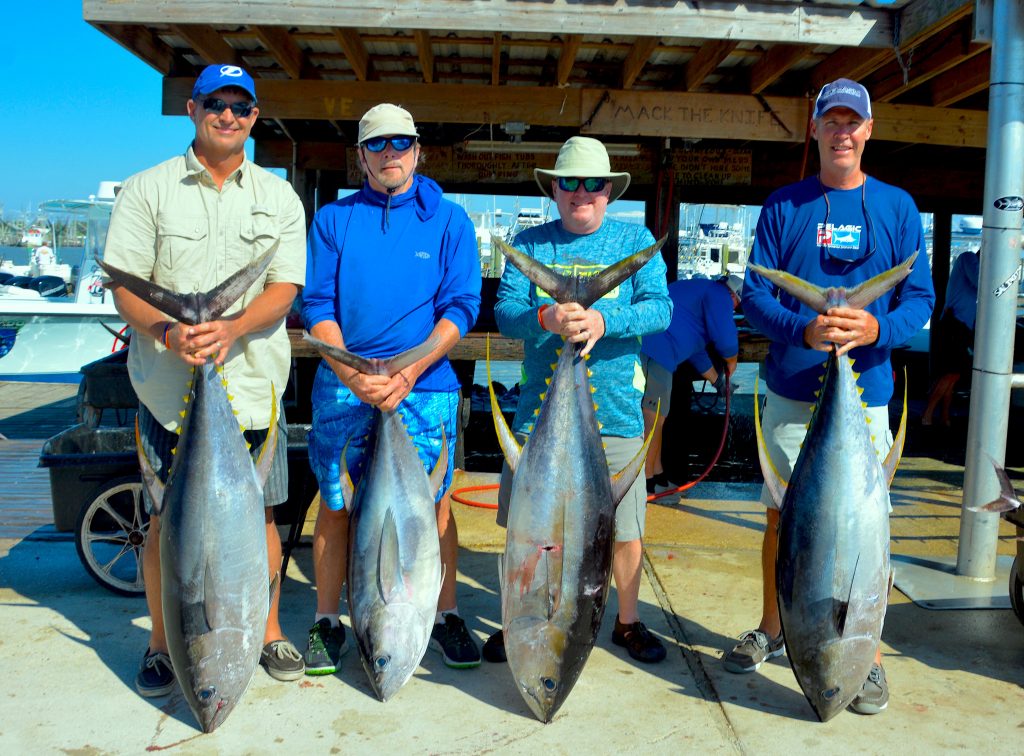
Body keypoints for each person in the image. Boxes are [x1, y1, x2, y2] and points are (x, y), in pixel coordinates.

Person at [728, 78, 934, 715]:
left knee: (870, 529)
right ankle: (772, 625)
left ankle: (866, 656)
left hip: (865, 394)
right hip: (793, 388)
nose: (842, 132)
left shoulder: (897, 207)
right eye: (831, 121)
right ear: (813, 129)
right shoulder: (785, 206)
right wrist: (804, 328)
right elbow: (758, 296)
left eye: (853, 122)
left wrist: (875, 328)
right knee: (778, 516)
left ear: (868, 131)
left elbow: (919, 299)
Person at [102, 64, 309, 695]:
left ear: (254, 116)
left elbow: (286, 287)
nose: (228, 115)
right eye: (216, 104)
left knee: (263, 519)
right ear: (193, 109)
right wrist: (169, 332)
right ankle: (164, 643)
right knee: (167, 520)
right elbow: (123, 287)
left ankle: (267, 629)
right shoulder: (147, 190)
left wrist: (234, 326)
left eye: (240, 107)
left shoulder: (279, 197)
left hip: (250, 391)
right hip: (170, 392)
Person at [301, 103, 482, 674]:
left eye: (400, 144)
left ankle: (445, 612)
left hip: (424, 388)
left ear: (418, 150)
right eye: (377, 145)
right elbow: (317, 306)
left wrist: (409, 369)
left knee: (435, 509)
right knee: (335, 506)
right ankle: (329, 621)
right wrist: (355, 372)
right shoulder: (334, 219)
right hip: (343, 386)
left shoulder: (450, 221)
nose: (390, 155)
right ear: (360, 156)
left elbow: (461, 305)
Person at [484, 136, 673, 664]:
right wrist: (546, 318)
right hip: (538, 420)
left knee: (625, 529)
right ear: (554, 189)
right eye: (570, 183)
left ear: (609, 190)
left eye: (593, 183)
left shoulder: (633, 242)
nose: (581, 193)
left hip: (614, 417)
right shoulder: (532, 244)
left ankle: (628, 622)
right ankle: (516, 616)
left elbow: (661, 311)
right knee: (525, 529)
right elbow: (505, 314)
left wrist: (606, 320)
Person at [640, 274, 742, 493]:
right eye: (736, 305)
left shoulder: (699, 298)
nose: (733, 310)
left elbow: (697, 353)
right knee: (654, 417)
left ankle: (657, 475)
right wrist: (732, 360)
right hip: (656, 348)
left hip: (660, 349)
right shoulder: (718, 294)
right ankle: (645, 483)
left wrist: (718, 382)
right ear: (733, 295)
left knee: (659, 417)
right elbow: (726, 338)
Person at [922, 248, 980, 427]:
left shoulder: (970, 262)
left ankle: (945, 417)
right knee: (951, 373)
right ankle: (927, 415)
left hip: (961, 326)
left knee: (953, 374)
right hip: (954, 323)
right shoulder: (968, 259)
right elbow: (982, 283)